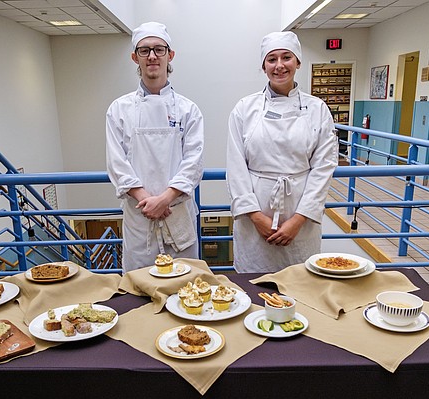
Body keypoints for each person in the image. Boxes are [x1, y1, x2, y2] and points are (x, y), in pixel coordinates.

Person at [226, 31, 338, 273]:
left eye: (286, 57)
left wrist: (298, 220)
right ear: (263, 66)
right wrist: (257, 217)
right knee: (254, 284)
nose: (279, 66)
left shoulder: (317, 109)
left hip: (300, 215)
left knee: (300, 282)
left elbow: (324, 166)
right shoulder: (244, 109)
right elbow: (235, 167)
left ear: (297, 62)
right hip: (255, 217)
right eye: (272, 59)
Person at [106, 21, 205, 273]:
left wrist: (165, 199)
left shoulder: (188, 110)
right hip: (140, 216)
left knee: (185, 286)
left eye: (159, 49)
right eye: (144, 50)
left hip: (176, 212)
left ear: (170, 55)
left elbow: (193, 162)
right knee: (139, 288)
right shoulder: (119, 109)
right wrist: (146, 201)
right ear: (134, 57)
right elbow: (117, 163)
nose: (152, 56)